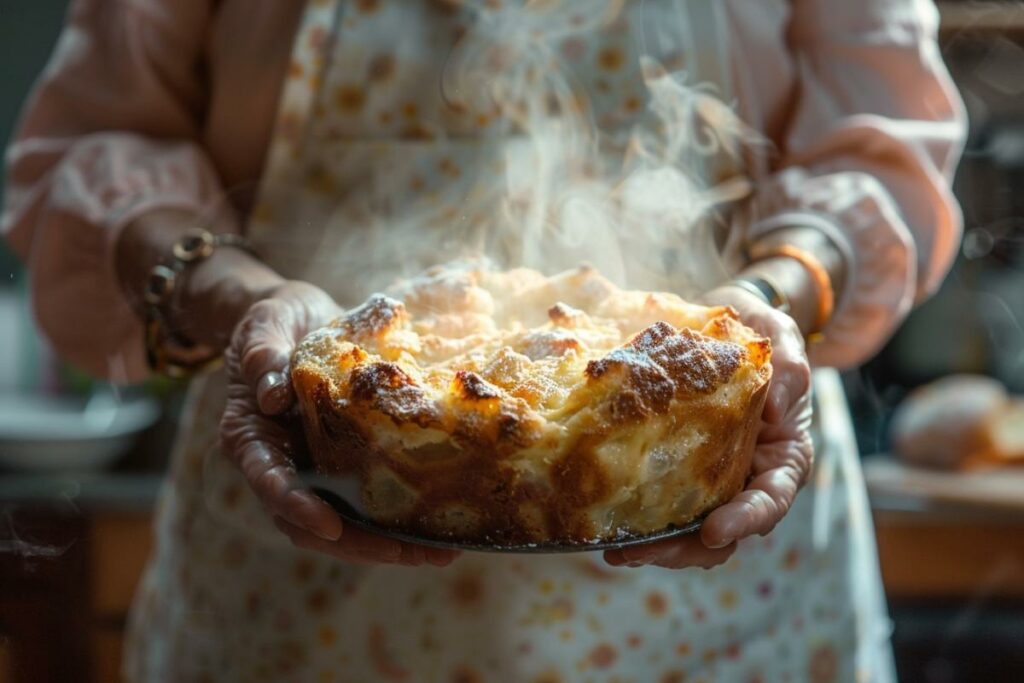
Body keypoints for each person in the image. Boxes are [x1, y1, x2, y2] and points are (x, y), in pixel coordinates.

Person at [2, 0, 964, 680]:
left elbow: (877, 144)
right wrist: (237, 295)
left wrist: (772, 291)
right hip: (290, 538)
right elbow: (89, 147)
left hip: (726, 614)